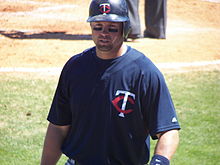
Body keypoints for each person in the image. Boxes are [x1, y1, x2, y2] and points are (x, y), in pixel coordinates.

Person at [40, 0, 180, 164]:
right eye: (98, 27)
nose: (104, 33)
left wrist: (159, 161)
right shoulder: (75, 67)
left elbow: (168, 129)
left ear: (125, 28)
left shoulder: (144, 72)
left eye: (112, 28)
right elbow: (58, 127)